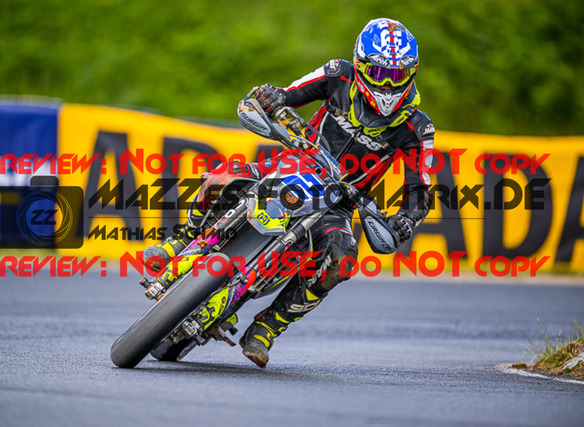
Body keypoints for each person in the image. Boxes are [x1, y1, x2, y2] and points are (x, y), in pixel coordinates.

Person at [144, 17, 435, 368]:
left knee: (343, 260)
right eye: (379, 74)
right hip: (292, 164)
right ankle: (183, 240)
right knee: (219, 178)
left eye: (397, 76)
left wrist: (406, 219)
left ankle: (267, 327)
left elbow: (420, 190)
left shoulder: (418, 127)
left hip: (339, 202)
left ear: (411, 73)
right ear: (359, 66)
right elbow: (288, 94)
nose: (387, 86)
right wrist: (272, 96)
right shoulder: (338, 74)